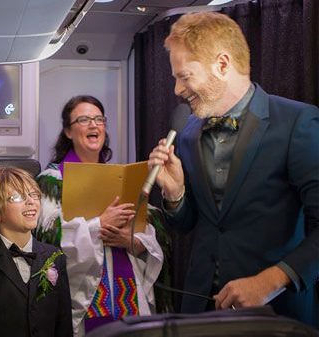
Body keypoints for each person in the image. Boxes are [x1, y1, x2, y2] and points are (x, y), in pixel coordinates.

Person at [147, 12, 318, 327]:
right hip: (201, 310)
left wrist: (269, 281)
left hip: (277, 313)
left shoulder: (298, 123)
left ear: (222, 65)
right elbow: (190, 225)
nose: (176, 90)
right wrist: (175, 194)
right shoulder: (187, 134)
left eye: (184, 76)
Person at [35, 95, 164, 336]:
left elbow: (148, 231)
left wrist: (132, 240)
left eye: (99, 119)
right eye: (84, 119)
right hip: (83, 295)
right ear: (68, 132)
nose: (94, 125)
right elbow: (48, 235)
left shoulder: (124, 178)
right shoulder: (52, 181)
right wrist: (98, 226)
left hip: (128, 292)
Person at [0, 166, 72, 337]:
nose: (31, 201)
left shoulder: (55, 257)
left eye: (34, 194)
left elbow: (64, 327)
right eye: (17, 197)